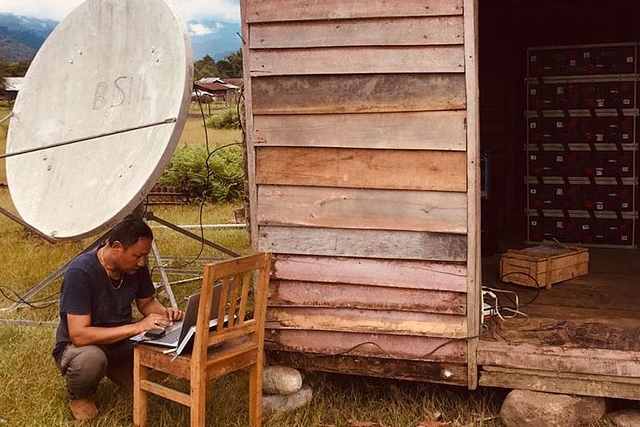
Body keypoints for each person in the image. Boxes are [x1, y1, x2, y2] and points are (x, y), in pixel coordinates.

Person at [51, 214, 183, 421]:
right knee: (91, 360)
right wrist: (138, 327)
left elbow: (146, 302)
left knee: (163, 337)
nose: (141, 263)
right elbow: (79, 335)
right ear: (117, 247)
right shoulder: (80, 272)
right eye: (137, 256)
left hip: (119, 339)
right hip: (79, 347)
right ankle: (79, 395)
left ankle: (118, 368)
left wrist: (163, 314)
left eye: (144, 256)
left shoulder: (134, 267)